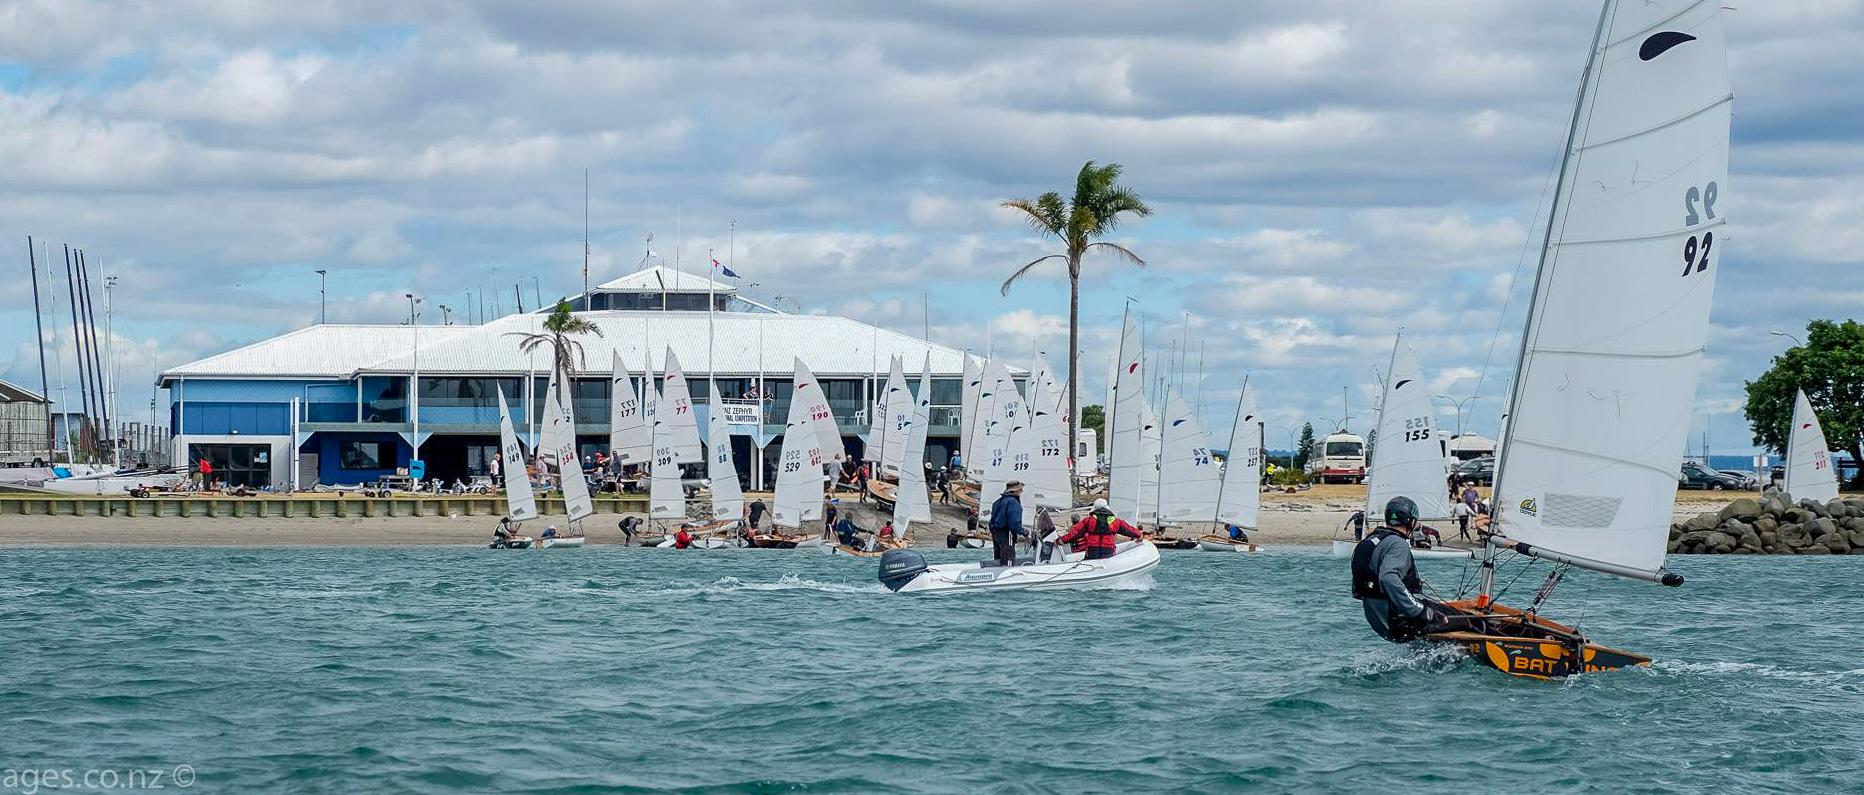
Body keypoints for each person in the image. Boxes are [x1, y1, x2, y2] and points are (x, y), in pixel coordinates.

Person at [1351, 496, 1450, 643]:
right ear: (1411, 521)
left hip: (1378, 621)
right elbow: (1388, 577)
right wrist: (1420, 611)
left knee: (1440, 608)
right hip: (1399, 621)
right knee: (1466, 619)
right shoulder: (1398, 544)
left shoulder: (1370, 541)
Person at [1058, 499, 1143, 560]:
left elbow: (1075, 533)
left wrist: (1061, 541)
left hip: (1092, 550)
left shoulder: (1088, 520)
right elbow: (1128, 530)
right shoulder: (1116, 522)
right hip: (1108, 550)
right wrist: (1139, 535)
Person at [987, 480, 1024, 566]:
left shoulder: (998, 502)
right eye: (1021, 490)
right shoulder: (1013, 502)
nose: (1022, 492)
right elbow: (1014, 522)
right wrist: (1023, 531)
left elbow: (991, 520)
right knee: (1008, 557)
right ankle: (1007, 573)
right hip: (1007, 532)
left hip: (996, 532)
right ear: (1015, 491)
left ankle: (997, 573)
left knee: (998, 556)